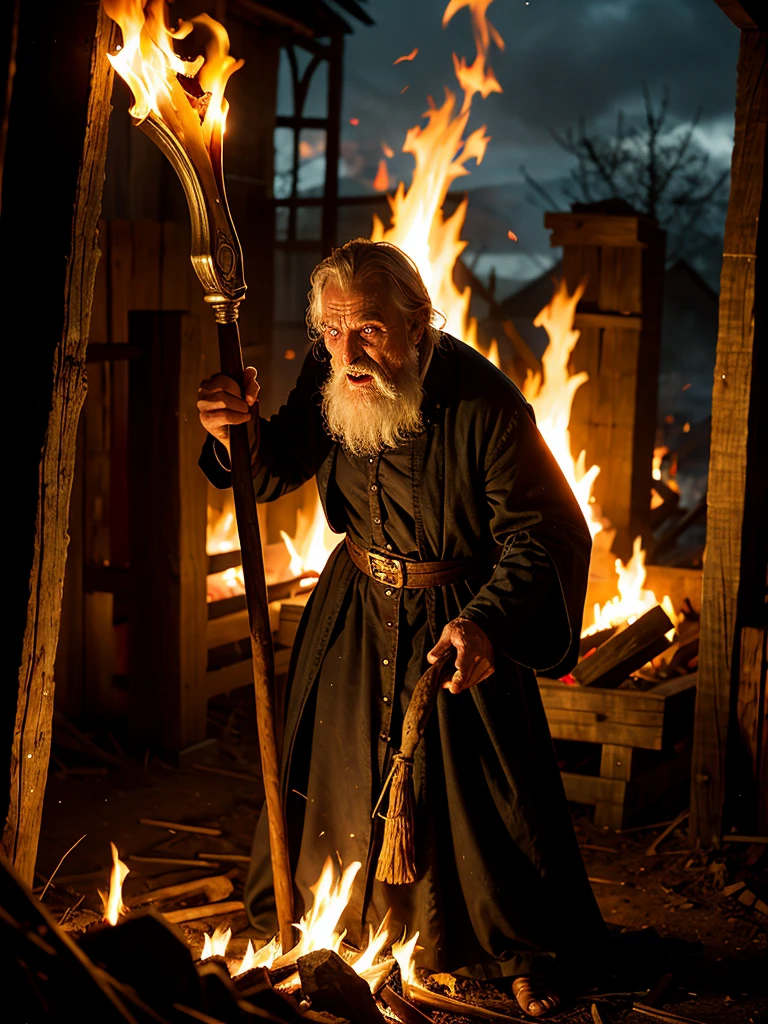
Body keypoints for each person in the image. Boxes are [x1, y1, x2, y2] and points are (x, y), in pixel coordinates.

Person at [197, 239, 608, 1017]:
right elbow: (278, 461)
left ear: (419, 324)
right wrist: (235, 431)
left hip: (456, 627)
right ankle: (341, 927)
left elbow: (546, 532)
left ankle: (504, 951)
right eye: (333, 331)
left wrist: (484, 626)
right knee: (340, 784)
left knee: (482, 809)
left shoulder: (486, 403)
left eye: (371, 331)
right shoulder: (331, 373)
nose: (348, 353)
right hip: (353, 617)